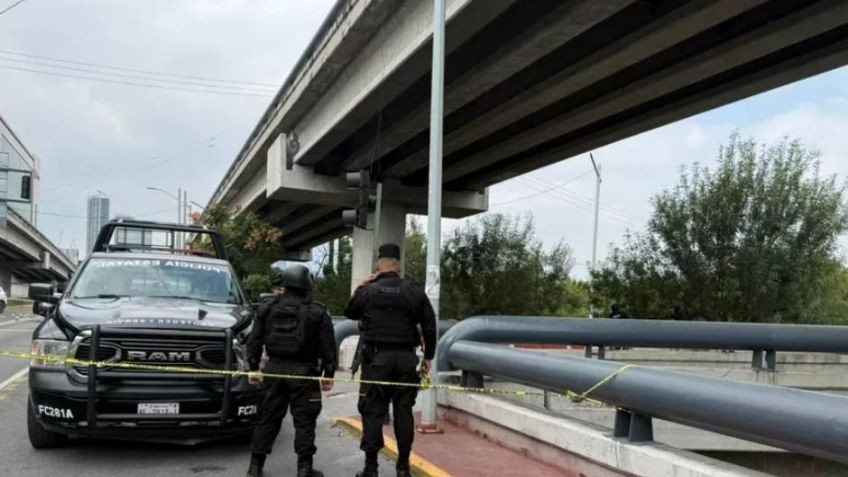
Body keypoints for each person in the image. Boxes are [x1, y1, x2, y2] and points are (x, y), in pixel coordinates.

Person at [345, 243, 437, 477]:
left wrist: (362, 285)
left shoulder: (369, 291)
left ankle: (371, 468)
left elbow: (350, 312)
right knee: (404, 412)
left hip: (375, 361)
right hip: (406, 360)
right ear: (398, 264)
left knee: (373, 411)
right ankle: (403, 467)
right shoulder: (414, 292)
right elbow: (429, 326)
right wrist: (428, 356)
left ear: (379, 264)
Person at [245, 264, 337, 477]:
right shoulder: (317, 312)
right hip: (304, 374)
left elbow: (254, 341)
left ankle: (255, 467)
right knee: (305, 422)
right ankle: (304, 469)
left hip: (273, 371)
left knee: (267, 418)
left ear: (284, 284)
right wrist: (329, 374)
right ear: (307, 285)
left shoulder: (267, 308)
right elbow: (328, 347)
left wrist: (253, 368)